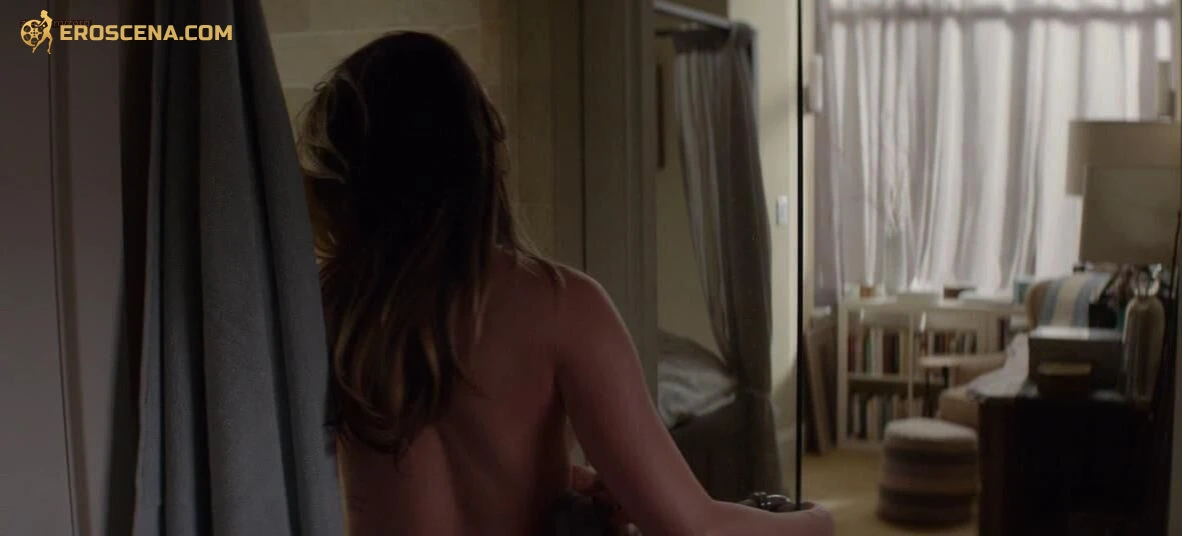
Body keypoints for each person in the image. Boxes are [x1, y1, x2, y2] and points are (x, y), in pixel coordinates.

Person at [298, 31, 833, 536]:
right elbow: (692, 526)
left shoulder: (328, 311)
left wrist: (556, 476)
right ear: (481, 157)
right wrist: (818, 523)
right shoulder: (559, 308)